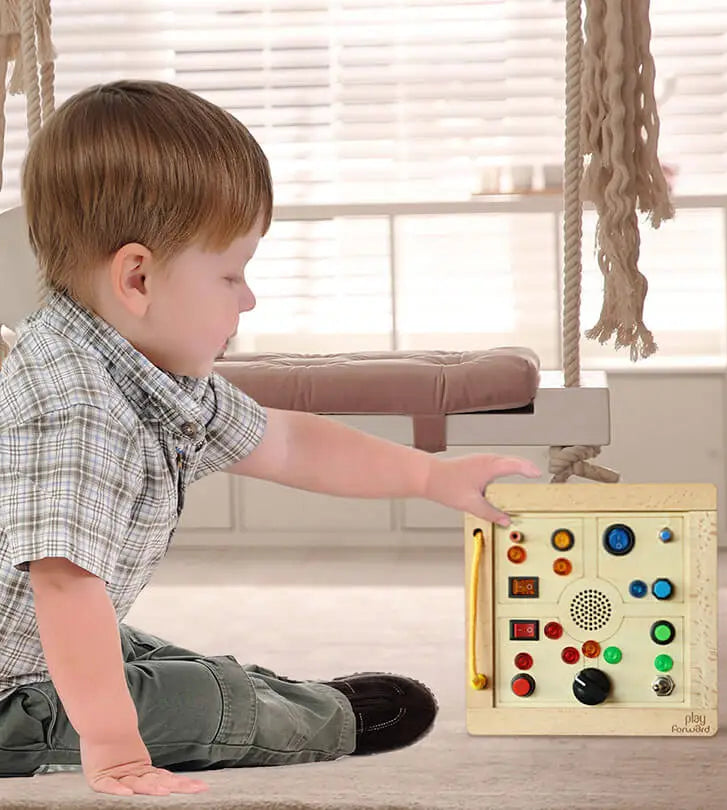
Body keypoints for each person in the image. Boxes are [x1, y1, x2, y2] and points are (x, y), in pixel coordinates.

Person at [0, 80, 541, 797]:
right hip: (12, 693)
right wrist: (112, 747)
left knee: (148, 656)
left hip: (32, 641)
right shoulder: (74, 407)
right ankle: (316, 718)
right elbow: (65, 584)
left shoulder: (142, 368)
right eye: (232, 273)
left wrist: (428, 476)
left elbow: (286, 442)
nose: (248, 297)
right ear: (137, 278)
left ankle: (262, 693)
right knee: (199, 706)